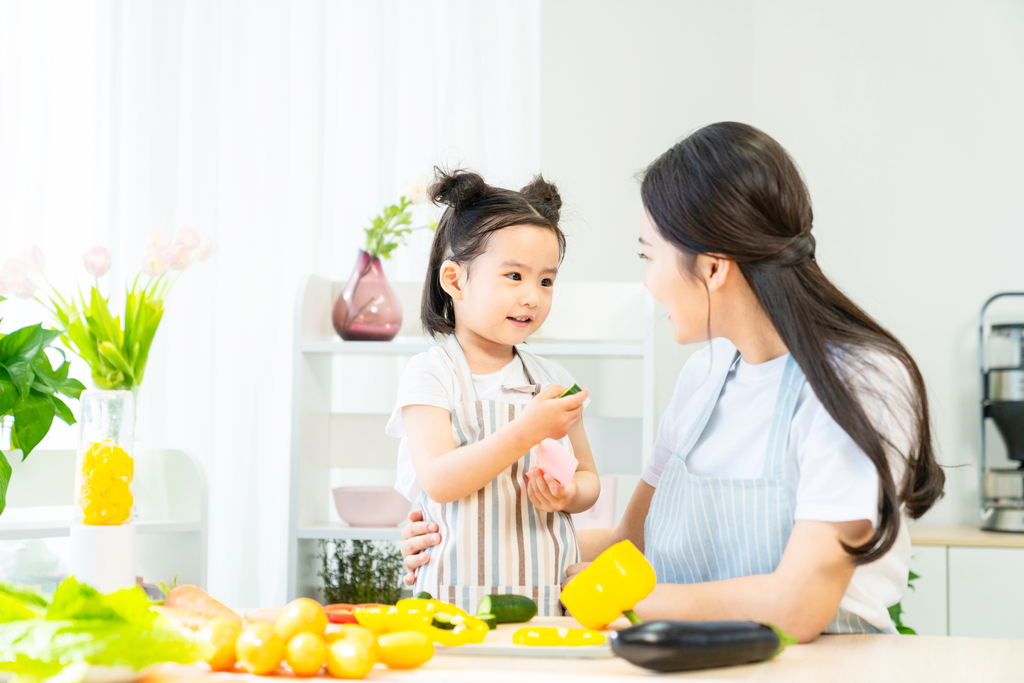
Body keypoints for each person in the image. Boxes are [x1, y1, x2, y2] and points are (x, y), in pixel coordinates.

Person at [398, 123, 945, 641]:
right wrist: (469, 544)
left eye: (648, 254)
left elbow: (796, 607)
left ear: (711, 268)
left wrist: (605, 600)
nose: (648, 283)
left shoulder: (859, 383)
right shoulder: (704, 376)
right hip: (690, 661)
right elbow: (628, 544)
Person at [385, 169, 600, 615]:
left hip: (545, 599)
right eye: (514, 276)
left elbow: (589, 480)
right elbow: (440, 480)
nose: (532, 297)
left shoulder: (552, 379)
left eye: (546, 281)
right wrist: (526, 431)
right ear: (455, 280)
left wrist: (569, 496)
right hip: (452, 600)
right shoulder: (431, 374)